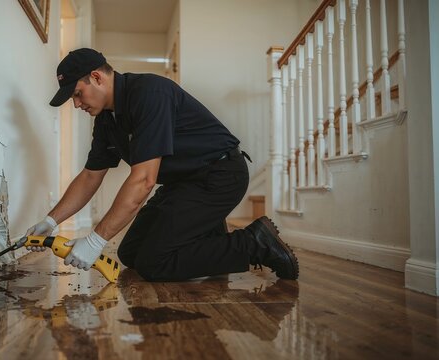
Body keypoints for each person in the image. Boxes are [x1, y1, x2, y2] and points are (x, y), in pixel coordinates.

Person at [25, 48, 298, 281]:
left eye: (77, 94)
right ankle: (210, 237)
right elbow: (90, 177)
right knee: (130, 253)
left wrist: (95, 240)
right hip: (184, 183)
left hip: (219, 175)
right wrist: (50, 221)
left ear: (96, 77)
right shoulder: (107, 121)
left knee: (155, 262)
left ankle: (255, 243)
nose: (76, 104)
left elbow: (144, 180)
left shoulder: (149, 93)